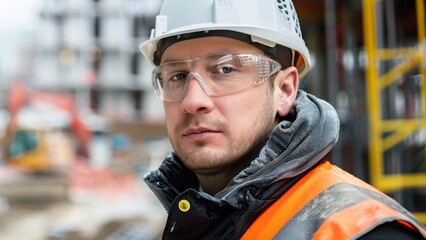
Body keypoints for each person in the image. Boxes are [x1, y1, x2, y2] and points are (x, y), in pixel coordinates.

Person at [138, 0, 426, 239]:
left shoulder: (363, 232)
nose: (192, 101)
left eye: (224, 70)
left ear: (285, 90)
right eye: (177, 76)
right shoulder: (192, 220)